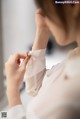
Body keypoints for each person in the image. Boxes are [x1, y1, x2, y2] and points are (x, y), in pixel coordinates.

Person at [5, 0, 80, 119]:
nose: (43, 15)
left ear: (74, 6)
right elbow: (36, 89)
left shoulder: (67, 102)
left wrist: (12, 91)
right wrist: (42, 30)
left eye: (46, 8)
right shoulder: (75, 57)